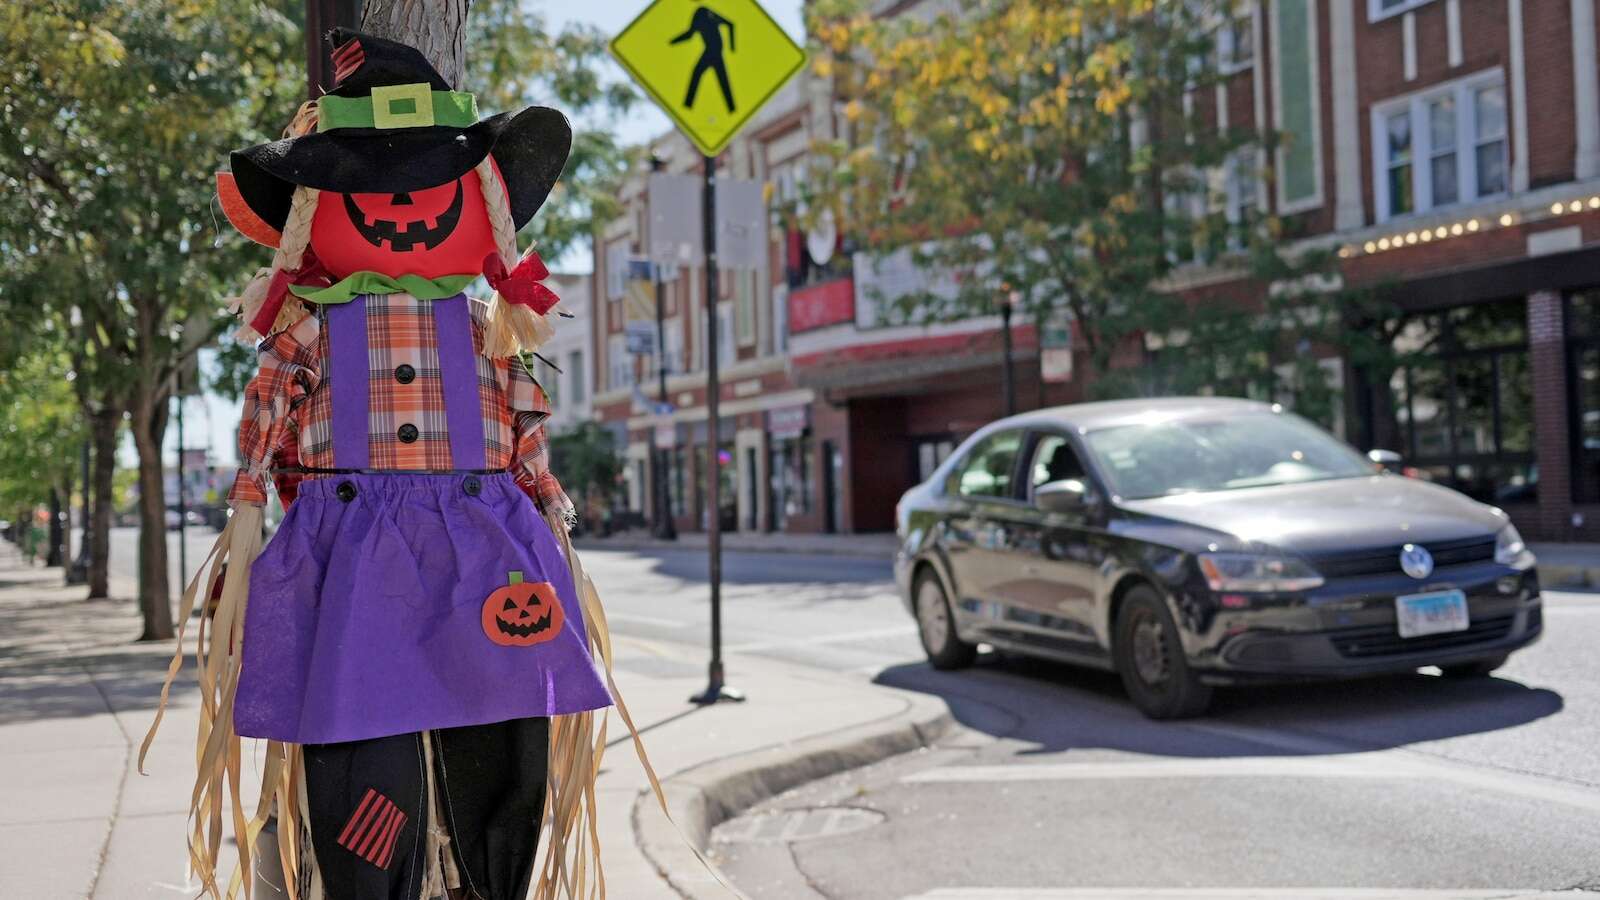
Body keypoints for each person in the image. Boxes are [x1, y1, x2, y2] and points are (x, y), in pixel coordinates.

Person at [143, 30, 616, 900]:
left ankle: (490, 874)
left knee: (503, 729)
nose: (402, 203)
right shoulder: (310, 332)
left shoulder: (484, 331)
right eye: (368, 185)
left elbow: (524, 438)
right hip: (353, 557)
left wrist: (555, 522)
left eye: (429, 181)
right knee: (361, 735)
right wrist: (244, 528)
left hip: (484, 548)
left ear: (480, 202)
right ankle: (373, 882)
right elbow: (261, 431)